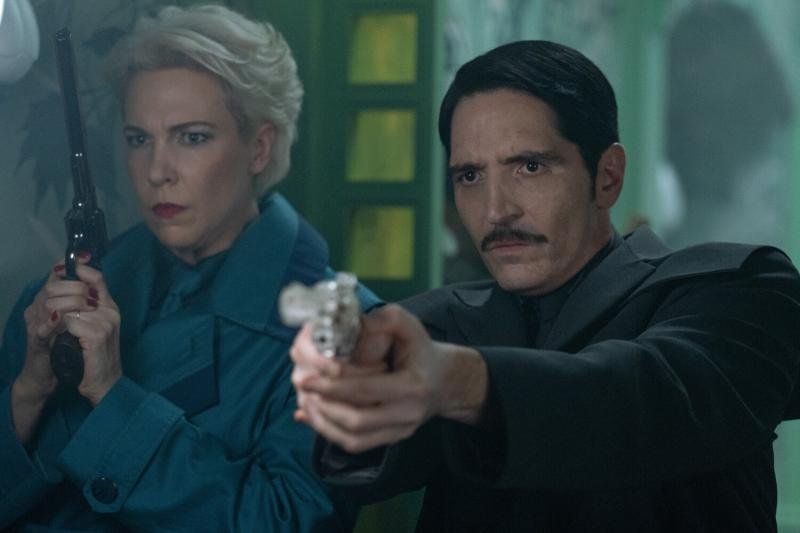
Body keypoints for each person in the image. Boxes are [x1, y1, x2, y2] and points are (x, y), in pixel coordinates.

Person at [290, 40, 800, 531]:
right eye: (470, 176)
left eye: (529, 167)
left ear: (607, 176)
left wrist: (459, 382)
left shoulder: (739, 290)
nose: (496, 210)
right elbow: (357, 461)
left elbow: (643, 399)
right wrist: (347, 384)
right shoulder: (441, 323)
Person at [0, 5, 377, 531]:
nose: (158, 171)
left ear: (258, 147)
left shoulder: (343, 329)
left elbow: (287, 521)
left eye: (192, 137)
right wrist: (28, 392)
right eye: (139, 139)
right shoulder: (60, 297)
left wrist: (113, 397)